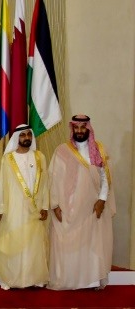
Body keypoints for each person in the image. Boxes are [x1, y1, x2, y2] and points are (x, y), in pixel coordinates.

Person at [48, 115, 115, 290]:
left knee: (92, 243)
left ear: (88, 129)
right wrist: (55, 205)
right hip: (68, 207)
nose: (79, 131)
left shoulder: (99, 150)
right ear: (72, 129)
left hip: (92, 207)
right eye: (76, 127)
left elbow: (105, 179)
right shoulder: (62, 151)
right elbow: (53, 179)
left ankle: (92, 281)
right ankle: (70, 280)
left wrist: (102, 200)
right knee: (68, 245)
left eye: (82, 127)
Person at [0, 124, 49, 290]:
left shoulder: (40, 157)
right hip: (13, 208)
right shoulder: (8, 159)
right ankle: (11, 278)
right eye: (22, 135)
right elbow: (2, 185)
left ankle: (34, 278)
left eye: (29, 135)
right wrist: (1, 208)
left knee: (33, 244)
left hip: (35, 208)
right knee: (13, 243)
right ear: (17, 138)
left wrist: (45, 206)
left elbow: (45, 184)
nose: (26, 138)